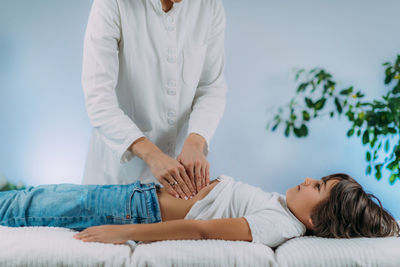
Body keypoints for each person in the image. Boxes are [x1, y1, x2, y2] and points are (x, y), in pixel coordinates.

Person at [0, 173, 398, 247]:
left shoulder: (281, 226)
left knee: (26, 206)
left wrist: (124, 232)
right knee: (32, 199)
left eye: (318, 187)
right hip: (137, 196)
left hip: (133, 211)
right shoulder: (281, 208)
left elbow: (204, 230)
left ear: (315, 220)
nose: (309, 179)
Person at [81, 0, 228, 199]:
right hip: (118, 178)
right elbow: (98, 99)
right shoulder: (112, 4)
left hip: (179, 180)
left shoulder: (209, 6)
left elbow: (211, 87)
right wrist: (152, 155)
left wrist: (196, 140)